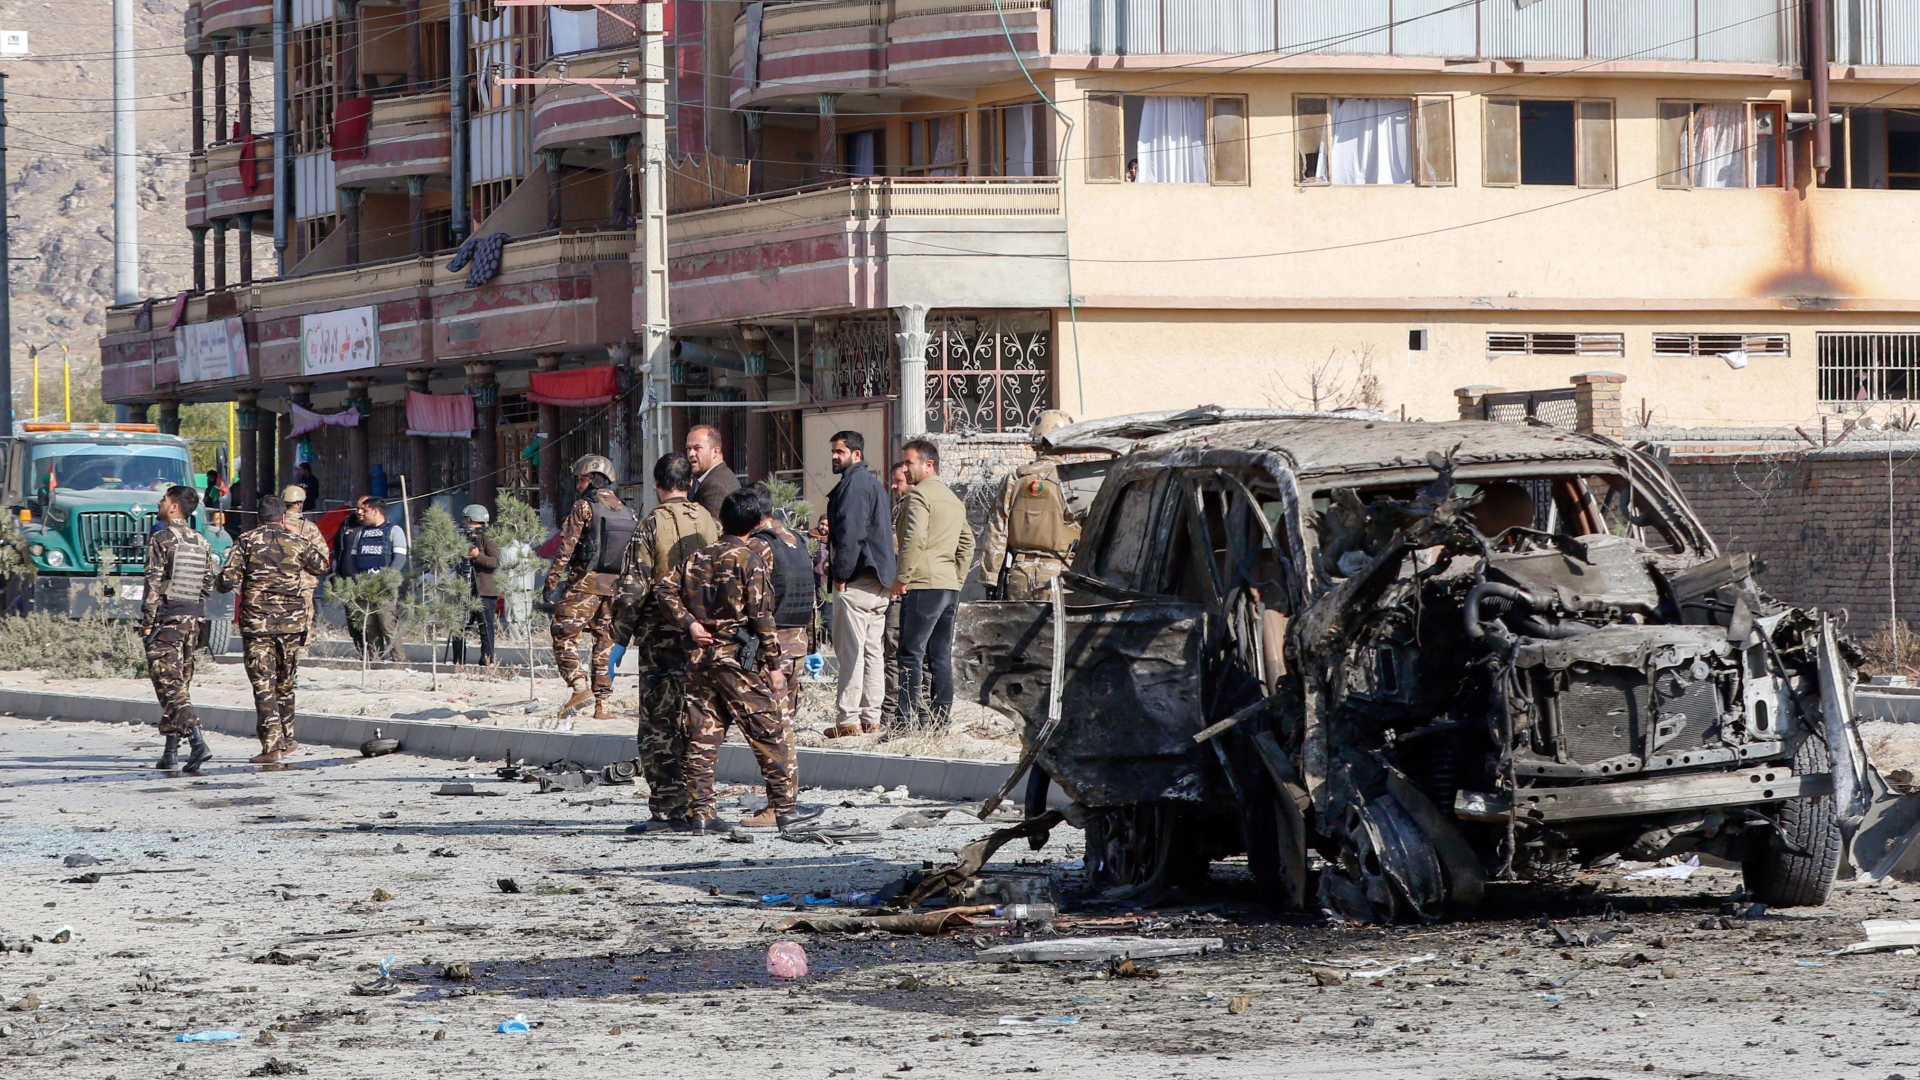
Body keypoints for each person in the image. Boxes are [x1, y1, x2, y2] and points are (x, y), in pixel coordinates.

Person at [657, 488, 819, 831]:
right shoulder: (749, 559)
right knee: (770, 732)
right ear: (753, 522)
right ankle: (785, 808)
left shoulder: (699, 556)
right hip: (738, 661)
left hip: (701, 659)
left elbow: (664, 589)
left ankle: (701, 813)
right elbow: (763, 618)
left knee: (702, 736)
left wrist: (690, 623)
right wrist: (774, 666)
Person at [613, 452, 718, 833]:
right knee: (698, 721)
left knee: (659, 724)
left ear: (658, 484)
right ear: (688, 484)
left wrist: (619, 636)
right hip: (703, 636)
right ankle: (700, 805)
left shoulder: (652, 523)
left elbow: (633, 587)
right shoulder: (708, 521)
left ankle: (668, 808)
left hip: (661, 638)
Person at [215, 496, 330, 764]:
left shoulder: (246, 541)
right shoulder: (296, 540)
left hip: (258, 625)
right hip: (291, 623)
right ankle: (288, 739)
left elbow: (227, 580)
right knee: (286, 683)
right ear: (282, 516)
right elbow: (321, 565)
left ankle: (271, 746)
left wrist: (224, 580)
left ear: (259, 517)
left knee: (263, 685)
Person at [543, 454, 637, 720]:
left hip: (584, 584)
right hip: (615, 588)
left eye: (582, 479)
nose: (579, 484)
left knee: (563, 633)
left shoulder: (584, 507)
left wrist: (551, 583)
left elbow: (566, 547)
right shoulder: (628, 511)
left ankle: (579, 685)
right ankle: (602, 706)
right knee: (604, 644)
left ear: (594, 479)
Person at [892, 439, 975, 730]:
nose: (905, 468)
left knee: (910, 654)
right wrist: (956, 578)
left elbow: (913, 540)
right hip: (947, 586)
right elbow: (968, 544)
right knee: (939, 656)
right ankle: (940, 721)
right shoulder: (953, 499)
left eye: (909, 463)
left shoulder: (918, 497)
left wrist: (902, 578)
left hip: (922, 584)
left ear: (928, 465)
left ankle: (905, 720)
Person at [824, 430, 895, 738]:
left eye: (839, 451)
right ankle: (871, 717)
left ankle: (848, 720)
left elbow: (851, 535)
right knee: (871, 651)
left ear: (856, 454)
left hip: (858, 578)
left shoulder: (854, 485)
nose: (834, 457)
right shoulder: (873, 484)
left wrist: (840, 575)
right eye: (833, 451)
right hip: (878, 579)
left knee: (851, 651)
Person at [143, 484, 215, 774]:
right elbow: (208, 584)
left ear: (173, 507)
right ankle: (170, 752)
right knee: (178, 682)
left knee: (167, 680)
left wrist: (148, 619)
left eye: (163, 499)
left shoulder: (161, 538)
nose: (159, 503)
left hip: (167, 618)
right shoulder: (201, 540)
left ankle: (196, 740)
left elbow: (152, 582)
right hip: (193, 620)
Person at [744, 484, 816, 773]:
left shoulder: (759, 545)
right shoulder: (796, 540)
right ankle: (784, 792)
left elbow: (752, 599)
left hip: (773, 647)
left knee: (770, 728)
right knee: (785, 723)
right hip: (797, 644)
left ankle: (781, 799)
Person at [980, 410, 1082, 601]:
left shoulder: (1015, 479)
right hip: (1061, 576)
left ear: (1037, 444)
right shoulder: (1075, 481)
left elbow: (996, 531)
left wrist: (990, 579)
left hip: (1019, 575)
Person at [336, 496, 408, 660]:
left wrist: (385, 579)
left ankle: (399, 661)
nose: (360, 512)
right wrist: (357, 578)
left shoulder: (394, 530)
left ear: (375, 511)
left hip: (384, 587)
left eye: (365, 510)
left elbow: (399, 559)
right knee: (370, 627)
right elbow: (353, 559)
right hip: (364, 586)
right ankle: (375, 661)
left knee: (388, 625)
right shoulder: (361, 533)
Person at [879, 461, 914, 733]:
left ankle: (892, 714)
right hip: (914, 590)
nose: (893, 486)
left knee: (894, 654)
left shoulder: (911, 507)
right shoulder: (902, 506)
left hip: (903, 590)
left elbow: (903, 548)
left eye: (898, 481)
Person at [463, 504, 501, 666]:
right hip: (466, 590)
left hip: (484, 591)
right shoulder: (463, 536)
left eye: (466, 519)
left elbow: (494, 562)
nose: (463, 522)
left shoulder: (488, 537)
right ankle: (459, 660)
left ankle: (487, 661)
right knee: (460, 628)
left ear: (472, 520)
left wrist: (477, 555)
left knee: (486, 629)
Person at [686, 424, 740, 520]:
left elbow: (712, 531)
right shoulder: (712, 478)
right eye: (688, 449)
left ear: (715, 451)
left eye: (697, 448)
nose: (691, 454)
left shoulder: (715, 485)